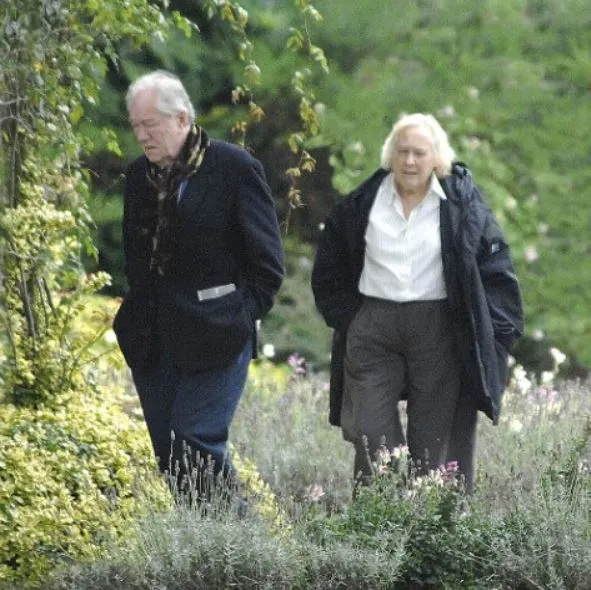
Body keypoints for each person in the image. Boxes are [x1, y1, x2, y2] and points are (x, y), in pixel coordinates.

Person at [311, 113, 524, 492]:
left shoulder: (461, 205)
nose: (410, 161)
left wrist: (497, 333)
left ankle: (430, 527)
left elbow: (496, 267)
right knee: (369, 431)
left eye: (420, 153)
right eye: (403, 151)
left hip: (438, 326)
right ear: (390, 155)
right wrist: (351, 318)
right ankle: (379, 521)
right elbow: (329, 267)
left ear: (437, 159)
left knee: (434, 442)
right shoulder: (362, 203)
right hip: (372, 324)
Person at [113, 70, 284, 500]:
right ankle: (205, 555)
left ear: (182, 118)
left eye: (149, 125)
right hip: (154, 339)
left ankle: (244, 547)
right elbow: (135, 260)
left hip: (218, 333)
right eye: (136, 127)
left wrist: (240, 314)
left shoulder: (232, 167)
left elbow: (268, 264)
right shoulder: (139, 177)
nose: (142, 136)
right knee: (172, 457)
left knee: (196, 439)